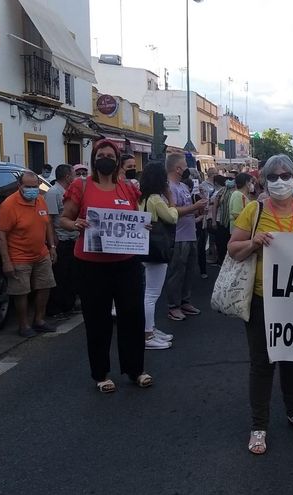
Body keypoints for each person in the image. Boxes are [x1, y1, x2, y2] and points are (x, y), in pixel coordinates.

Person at [227, 154, 293, 455]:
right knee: (262, 363)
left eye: (286, 176)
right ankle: (259, 426)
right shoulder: (254, 210)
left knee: (292, 358)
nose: (280, 181)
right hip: (261, 299)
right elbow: (233, 249)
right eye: (273, 177)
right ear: (264, 180)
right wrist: (253, 242)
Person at [60, 139, 152, 392]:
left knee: (132, 316)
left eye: (110, 155)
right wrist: (76, 224)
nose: (106, 158)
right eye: (101, 154)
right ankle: (101, 374)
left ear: (117, 159)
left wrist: (143, 227)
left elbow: (134, 218)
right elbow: (65, 219)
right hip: (91, 265)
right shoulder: (81, 186)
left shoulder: (128, 189)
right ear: (94, 158)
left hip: (126, 264)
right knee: (97, 320)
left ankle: (136, 370)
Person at [0, 170, 57, 337]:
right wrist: (6, 261)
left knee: (46, 286)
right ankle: (23, 325)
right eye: (28, 187)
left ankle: (40, 320)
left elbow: (48, 224)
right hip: (19, 256)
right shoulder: (9, 205)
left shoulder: (40, 200)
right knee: (21, 292)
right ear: (19, 186)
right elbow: (1, 234)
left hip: (41, 254)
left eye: (34, 186)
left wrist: (52, 246)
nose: (32, 189)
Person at [138, 161, 181, 350]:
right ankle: (147, 335)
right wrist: (171, 199)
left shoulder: (141, 198)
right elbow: (172, 217)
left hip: (145, 248)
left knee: (149, 292)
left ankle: (151, 329)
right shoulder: (156, 199)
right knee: (151, 294)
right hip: (157, 249)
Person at [163, 153, 207, 321]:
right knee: (177, 272)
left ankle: (184, 301)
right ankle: (173, 305)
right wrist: (194, 207)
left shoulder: (182, 186)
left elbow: (188, 207)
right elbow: (172, 211)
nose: (187, 168)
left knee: (189, 270)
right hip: (178, 236)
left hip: (190, 233)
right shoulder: (169, 187)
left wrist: (199, 207)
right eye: (184, 165)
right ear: (177, 168)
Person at [45, 164, 79, 318]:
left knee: (71, 275)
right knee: (60, 275)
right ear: (67, 177)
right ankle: (55, 308)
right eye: (73, 174)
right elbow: (50, 220)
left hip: (72, 238)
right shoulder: (53, 193)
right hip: (61, 240)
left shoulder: (68, 191)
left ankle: (68, 305)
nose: (75, 177)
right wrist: (52, 242)